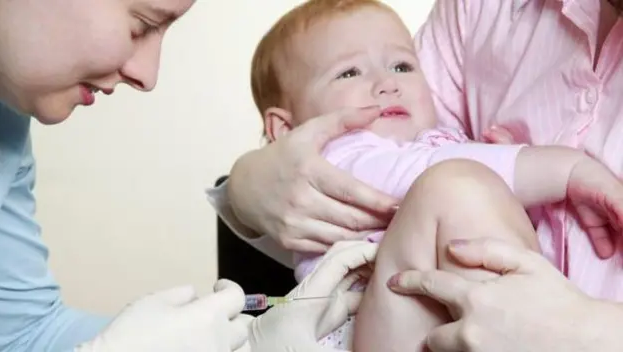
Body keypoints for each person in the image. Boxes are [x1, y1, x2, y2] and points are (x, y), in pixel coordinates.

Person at [209, 0, 623, 350]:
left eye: (403, 66)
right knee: (458, 186)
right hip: (357, 328)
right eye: (349, 73)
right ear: (287, 129)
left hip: (440, 320)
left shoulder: (436, 141)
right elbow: (422, 173)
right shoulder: (343, 153)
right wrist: (561, 169)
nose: (386, 83)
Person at [0, 0, 378, 350]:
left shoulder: (1, 122)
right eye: (141, 24)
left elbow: (22, 335)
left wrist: (245, 344)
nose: (147, 75)